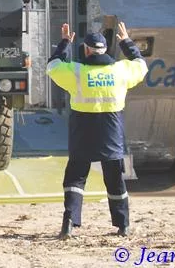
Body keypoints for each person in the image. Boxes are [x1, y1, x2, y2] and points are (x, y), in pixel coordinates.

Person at [47, 21, 148, 239]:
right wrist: (127, 43)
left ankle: (69, 223)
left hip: (83, 129)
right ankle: (123, 225)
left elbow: (52, 66)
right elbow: (141, 65)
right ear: (105, 50)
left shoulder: (76, 72)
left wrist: (65, 42)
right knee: (114, 178)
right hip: (111, 130)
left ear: (86, 50)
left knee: (75, 177)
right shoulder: (120, 71)